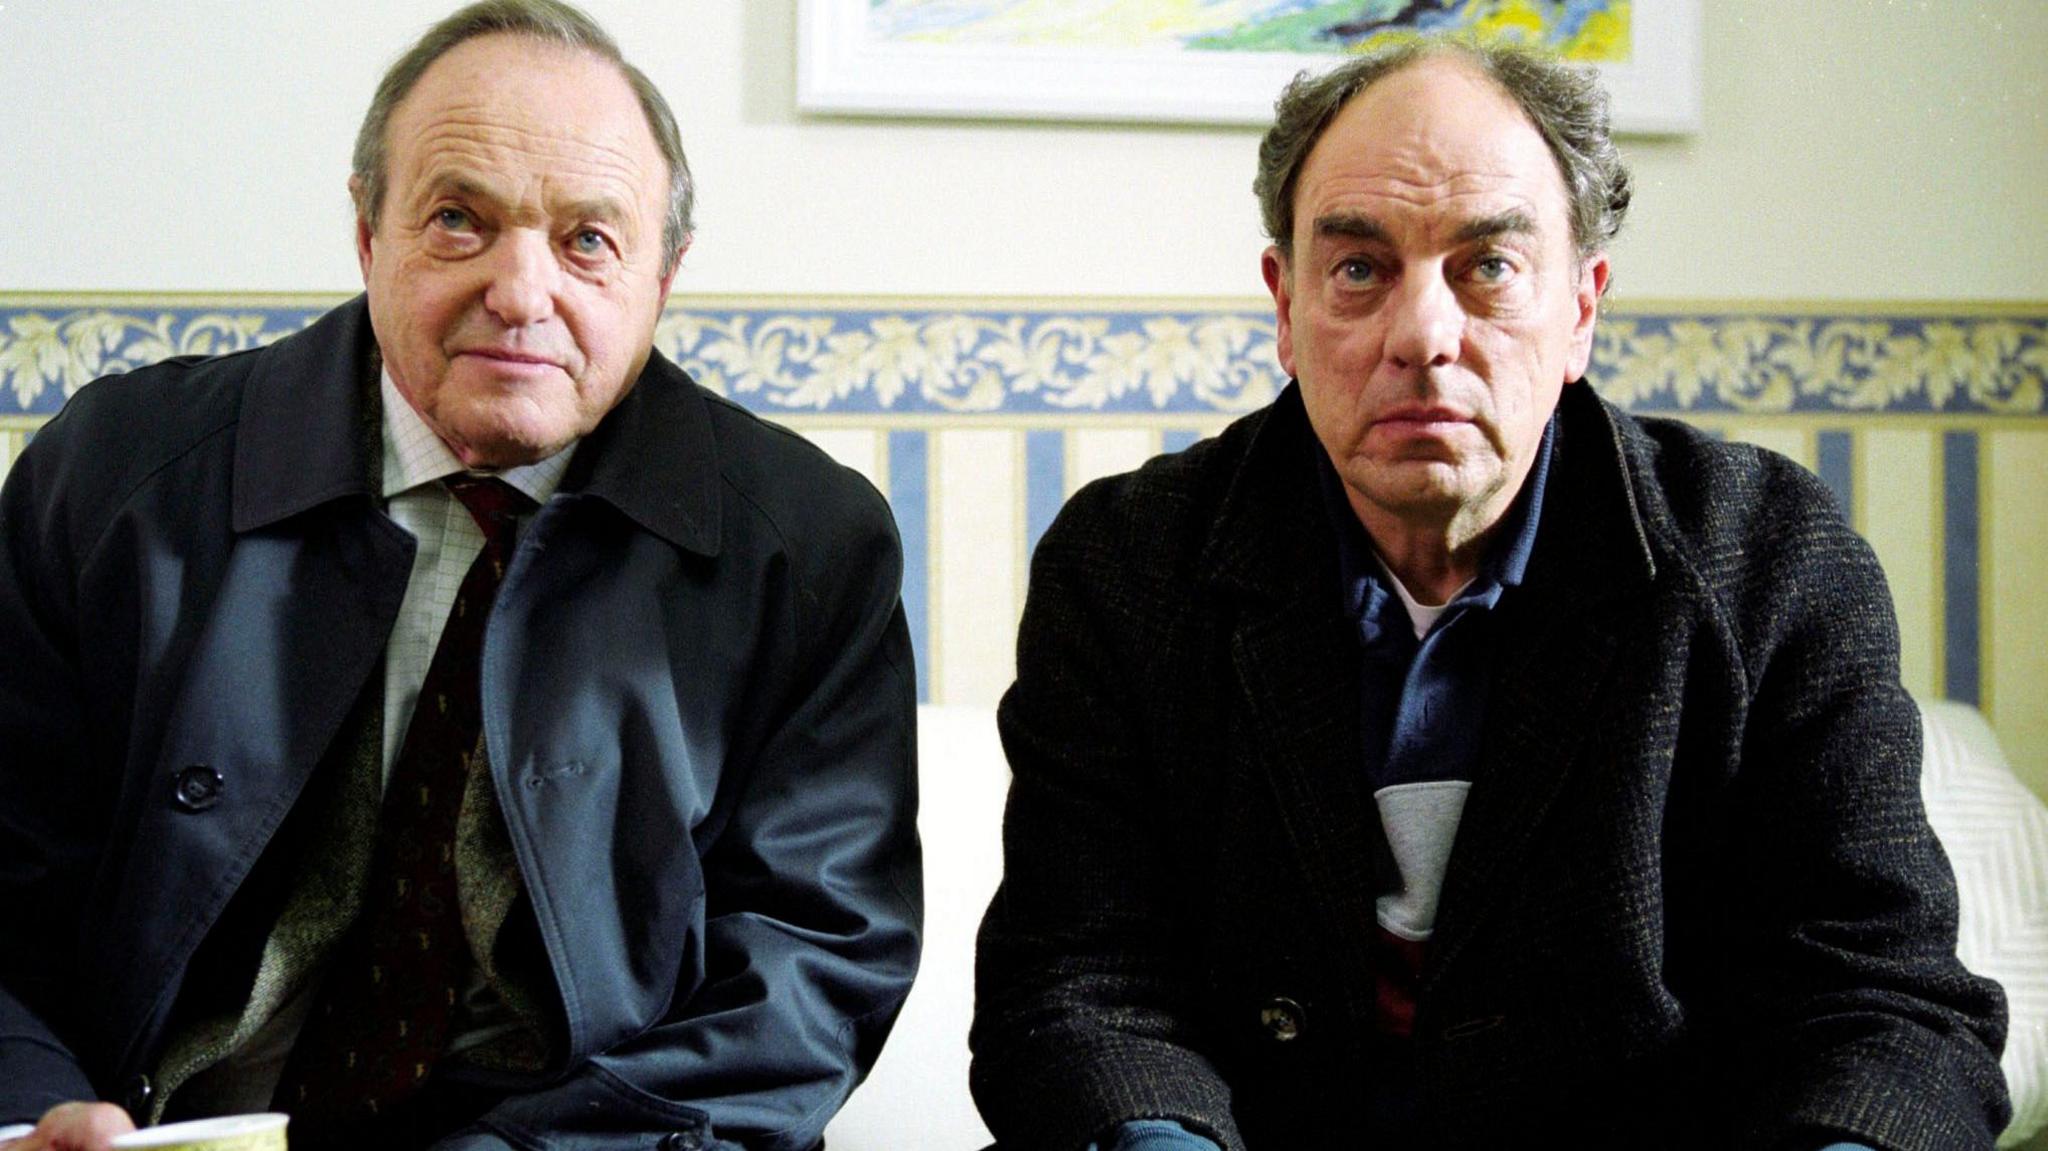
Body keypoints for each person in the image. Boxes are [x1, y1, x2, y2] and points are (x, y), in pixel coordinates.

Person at [969, 38, 2008, 1151]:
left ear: (1580, 308)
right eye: (1359, 269)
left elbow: (1880, 1000)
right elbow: (1078, 983)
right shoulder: (1127, 562)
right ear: (1283, 305)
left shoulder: (1769, 560)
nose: (1421, 336)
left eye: (1488, 268)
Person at [0, 3, 920, 1148]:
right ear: (366, 232)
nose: (522, 292)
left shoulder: (808, 544)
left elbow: (807, 976)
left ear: (666, 273)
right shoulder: (116, 475)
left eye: (589, 240)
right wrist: (34, 1107)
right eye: (457, 219)